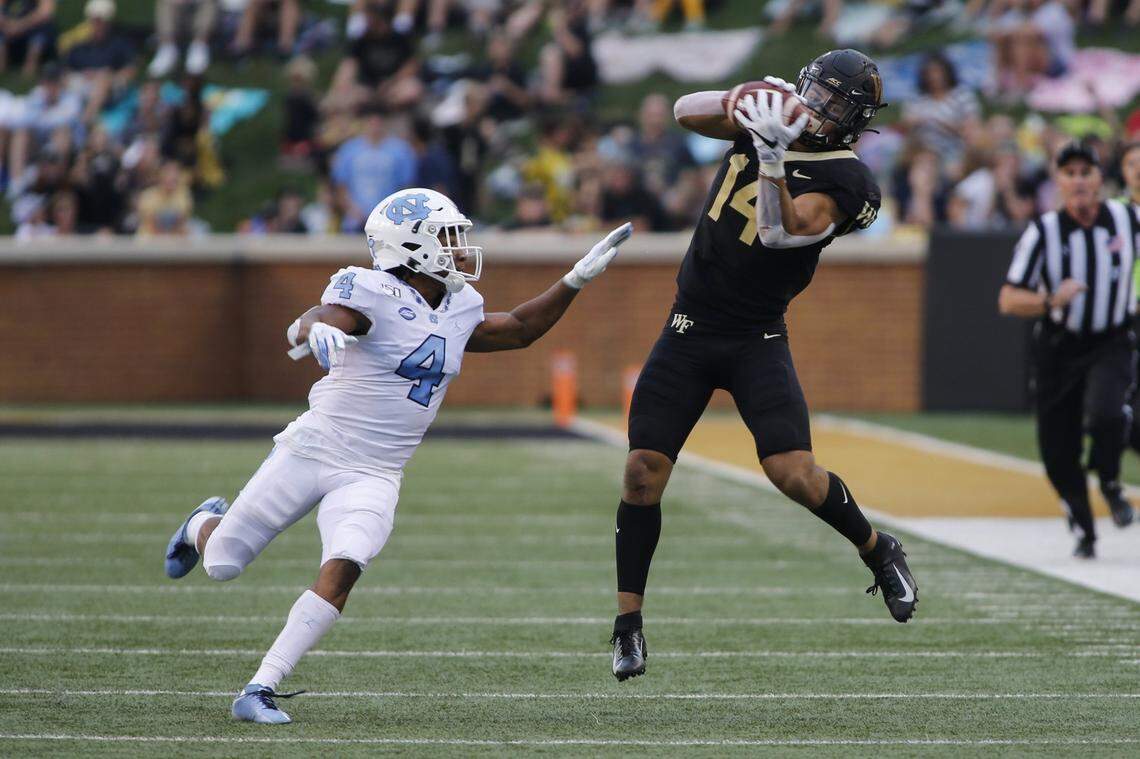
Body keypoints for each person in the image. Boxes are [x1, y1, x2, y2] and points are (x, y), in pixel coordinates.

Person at [161, 188, 633, 723]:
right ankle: (203, 522)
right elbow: (319, 317)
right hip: (315, 448)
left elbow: (519, 330)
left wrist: (574, 281)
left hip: (377, 471)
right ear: (411, 246)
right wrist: (314, 330)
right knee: (223, 563)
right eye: (448, 238)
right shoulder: (372, 290)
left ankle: (259, 688)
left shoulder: (460, 305)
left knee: (344, 566)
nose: (460, 248)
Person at [607, 49, 918, 683]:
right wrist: (739, 102)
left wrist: (773, 155)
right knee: (642, 470)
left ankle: (877, 549)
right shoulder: (771, 116)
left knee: (794, 473)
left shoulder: (852, 182)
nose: (820, 110)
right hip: (689, 326)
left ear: (855, 119)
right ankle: (628, 626)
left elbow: (783, 231)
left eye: (835, 103)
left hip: (756, 335)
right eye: (817, 94)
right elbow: (681, 111)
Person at [999, 141, 1139, 558]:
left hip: (1111, 338)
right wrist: (1049, 301)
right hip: (1059, 348)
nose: (1078, 181)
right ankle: (1083, 525)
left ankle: (1111, 482)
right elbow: (1008, 299)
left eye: (1086, 172)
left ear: (1100, 179)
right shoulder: (1043, 231)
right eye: (1070, 173)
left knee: (1107, 412)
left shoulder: (1127, 218)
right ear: (1058, 182)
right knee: (1057, 452)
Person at [329, 107, 417, 232]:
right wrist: (352, 210)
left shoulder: (401, 150)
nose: (375, 127)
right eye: (371, 122)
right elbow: (340, 186)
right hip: (355, 220)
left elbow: (406, 187)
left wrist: (395, 212)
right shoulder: (348, 150)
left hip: (390, 221)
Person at [147, 0, 217, 78]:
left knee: (209, 3)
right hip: (178, 13)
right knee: (165, 2)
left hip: (200, 11)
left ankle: (199, 45)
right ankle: (167, 48)